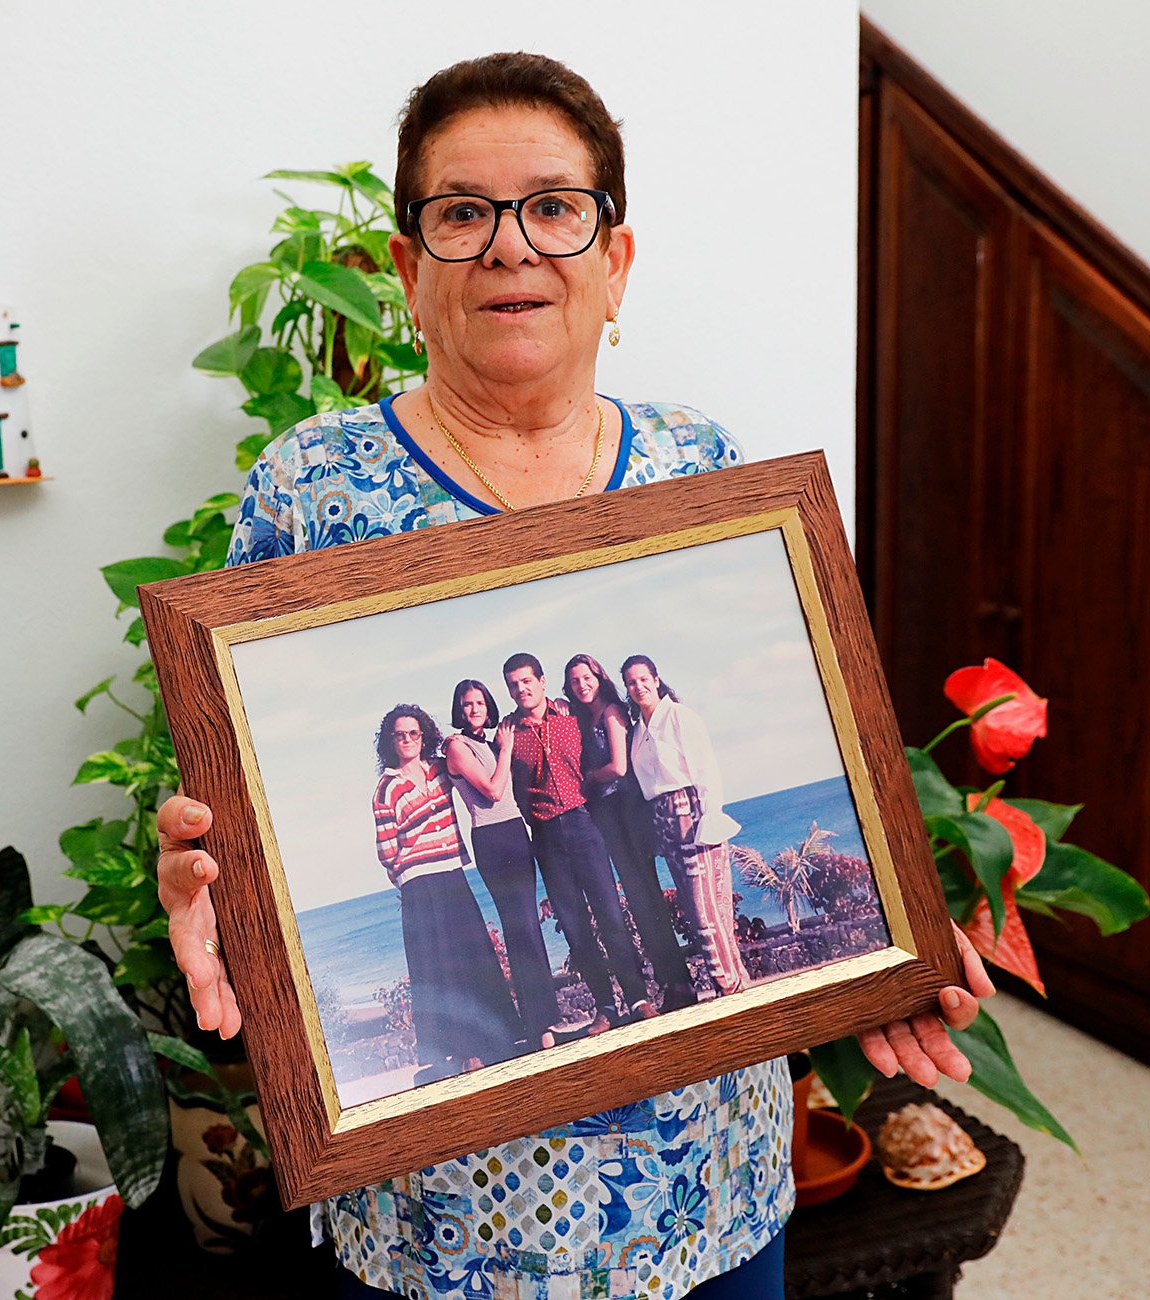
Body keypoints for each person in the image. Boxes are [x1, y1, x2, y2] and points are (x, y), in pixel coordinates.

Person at [156, 52, 994, 1300]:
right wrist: (200, 868)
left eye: (556, 207)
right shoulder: (313, 489)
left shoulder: (701, 472)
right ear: (406, 269)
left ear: (616, 261)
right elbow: (232, 783)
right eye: (462, 213)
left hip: (708, 1182)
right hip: (445, 1217)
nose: (512, 246)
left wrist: (874, 949)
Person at [371, 705, 523, 1080]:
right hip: (419, 885)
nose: (407, 740)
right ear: (389, 742)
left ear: (424, 736)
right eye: (399, 735)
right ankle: (465, 1052)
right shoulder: (386, 788)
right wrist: (411, 874)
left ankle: (499, 1039)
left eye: (413, 733)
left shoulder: (440, 768)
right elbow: (387, 852)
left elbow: (473, 765)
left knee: (473, 959)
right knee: (439, 970)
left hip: (453, 874)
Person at [503, 651, 653, 1029]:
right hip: (546, 835)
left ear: (540, 681)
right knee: (574, 926)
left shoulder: (571, 714)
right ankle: (606, 1007)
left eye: (526, 681)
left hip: (585, 824)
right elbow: (514, 790)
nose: (521, 689)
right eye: (513, 685)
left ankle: (637, 997)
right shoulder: (509, 734)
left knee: (610, 914)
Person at [565, 651, 698, 1009]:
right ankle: (672, 983)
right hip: (609, 815)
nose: (582, 685)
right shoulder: (582, 717)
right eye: (575, 680)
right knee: (641, 902)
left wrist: (587, 778)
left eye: (587, 677)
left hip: (626, 811)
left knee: (647, 899)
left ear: (600, 677)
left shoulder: (611, 712)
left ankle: (679, 984)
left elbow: (619, 767)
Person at [441, 679, 567, 1051]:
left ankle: (545, 1020)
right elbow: (494, 790)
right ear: (458, 710)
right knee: (518, 928)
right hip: (492, 839)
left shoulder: (492, 740)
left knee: (529, 925)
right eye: (467, 704)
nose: (474, 709)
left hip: (516, 832)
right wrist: (508, 747)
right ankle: (539, 1025)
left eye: (479, 702)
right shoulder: (457, 746)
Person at [623, 653, 751, 996]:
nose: (638, 687)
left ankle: (730, 986)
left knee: (708, 909)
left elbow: (706, 769)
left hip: (690, 810)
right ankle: (733, 983)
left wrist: (708, 817)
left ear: (655, 678)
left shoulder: (679, 717)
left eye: (642, 679)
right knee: (698, 912)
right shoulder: (638, 730)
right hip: (662, 818)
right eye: (631, 682)